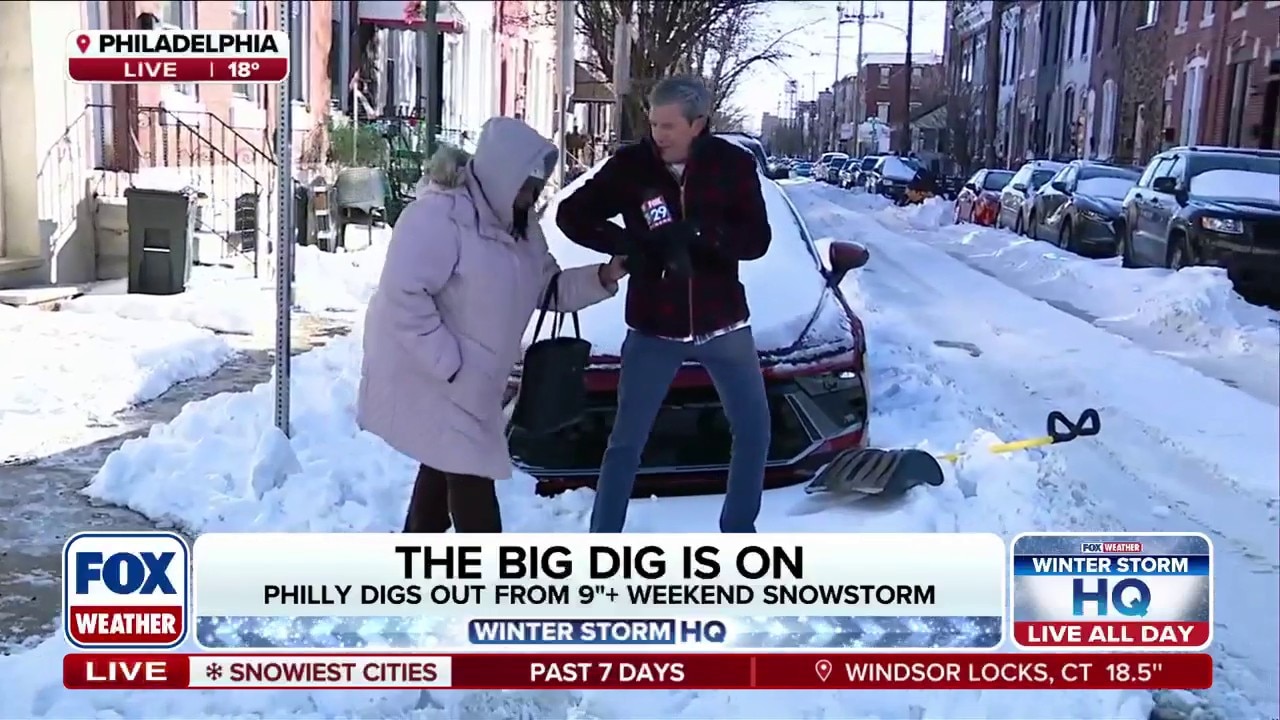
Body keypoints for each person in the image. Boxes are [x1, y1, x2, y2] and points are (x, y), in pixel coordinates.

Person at [358, 117, 628, 533]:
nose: (530, 195)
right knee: (473, 481)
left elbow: (549, 288)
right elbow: (403, 298)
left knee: (442, 471)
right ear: (502, 173)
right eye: (524, 184)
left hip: (474, 383)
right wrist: (451, 364)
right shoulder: (439, 216)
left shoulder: (522, 228)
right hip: (435, 376)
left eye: (536, 186)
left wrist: (605, 276)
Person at [555, 75, 773, 533]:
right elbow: (570, 214)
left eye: (669, 126)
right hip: (654, 325)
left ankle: (738, 532)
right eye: (654, 124)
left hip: (724, 323)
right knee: (625, 442)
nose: (658, 135)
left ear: (698, 123)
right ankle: (603, 540)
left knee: (754, 429)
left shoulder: (733, 165)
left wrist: (704, 233)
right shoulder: (632, 167)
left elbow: (758, 240)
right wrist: (630, 246)